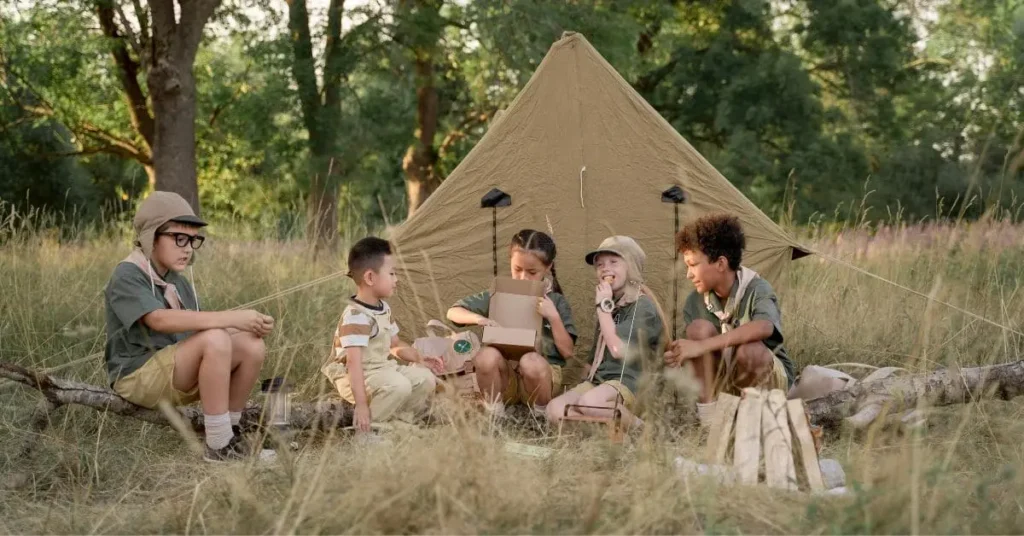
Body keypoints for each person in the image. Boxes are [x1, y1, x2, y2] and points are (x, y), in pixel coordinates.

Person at [104, 191, 272, 462]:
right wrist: (231, 319)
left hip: (173, 369)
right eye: (179, 238)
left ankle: (229, 434)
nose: (188, 248)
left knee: (251, 343)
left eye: (194, 240)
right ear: (151, 236)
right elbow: (158, 319)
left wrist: (245, 326)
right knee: (217, 337)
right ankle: (218, 446)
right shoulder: (127, 273)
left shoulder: (177, 280)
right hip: (137, 377)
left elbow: (198, 332)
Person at [663, 213, 795, 427]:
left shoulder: (757, 288)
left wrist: (701, 346)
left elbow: (764, 327)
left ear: (721, 264)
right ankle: (710, 422)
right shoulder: (695, 301)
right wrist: (680, 355)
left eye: (693, 264)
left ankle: (753, 423)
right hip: (726, 381)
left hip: (767, 380)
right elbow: (699, 354)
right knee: (697, 330)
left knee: (749, 349)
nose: (688, 274)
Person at [321, 237, 444, 436]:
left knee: (425, 379)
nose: (397, 280)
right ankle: (369, 430)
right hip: (354, 376)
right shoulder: (356, 315)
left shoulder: (383, 308)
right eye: (392, 273)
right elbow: (353, 364)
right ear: (370, 278)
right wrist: (361, 405)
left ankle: (399, 422)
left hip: (381, 369)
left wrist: (419, 358)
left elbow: (394, 344)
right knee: (399, 385)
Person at [447, 230, 577, 417]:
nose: (523, 277)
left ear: (547, 268)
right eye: (517, 269)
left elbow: (568, 352)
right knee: (486, 355)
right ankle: (495, 417)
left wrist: (553, 316)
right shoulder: (501, 294)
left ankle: (539, 419)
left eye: (532, 272)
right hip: (504, 377)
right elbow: (453, 312)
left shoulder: (555, 301)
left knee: (530, 361)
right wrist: (480, 319)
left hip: (540, 379)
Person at [546, 236, 668, 430]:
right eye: (600, 264)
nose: (605, 268)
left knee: (588, 403)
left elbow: (617, 349)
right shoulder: (610, 305)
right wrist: (581, 385)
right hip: (599, 384)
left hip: (630, 384)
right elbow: (594, 356)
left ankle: (644, 430)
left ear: (632, 266)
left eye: (613, 262)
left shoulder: (642, 306)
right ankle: (602, 431)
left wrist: (602, 306)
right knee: (555, 409)